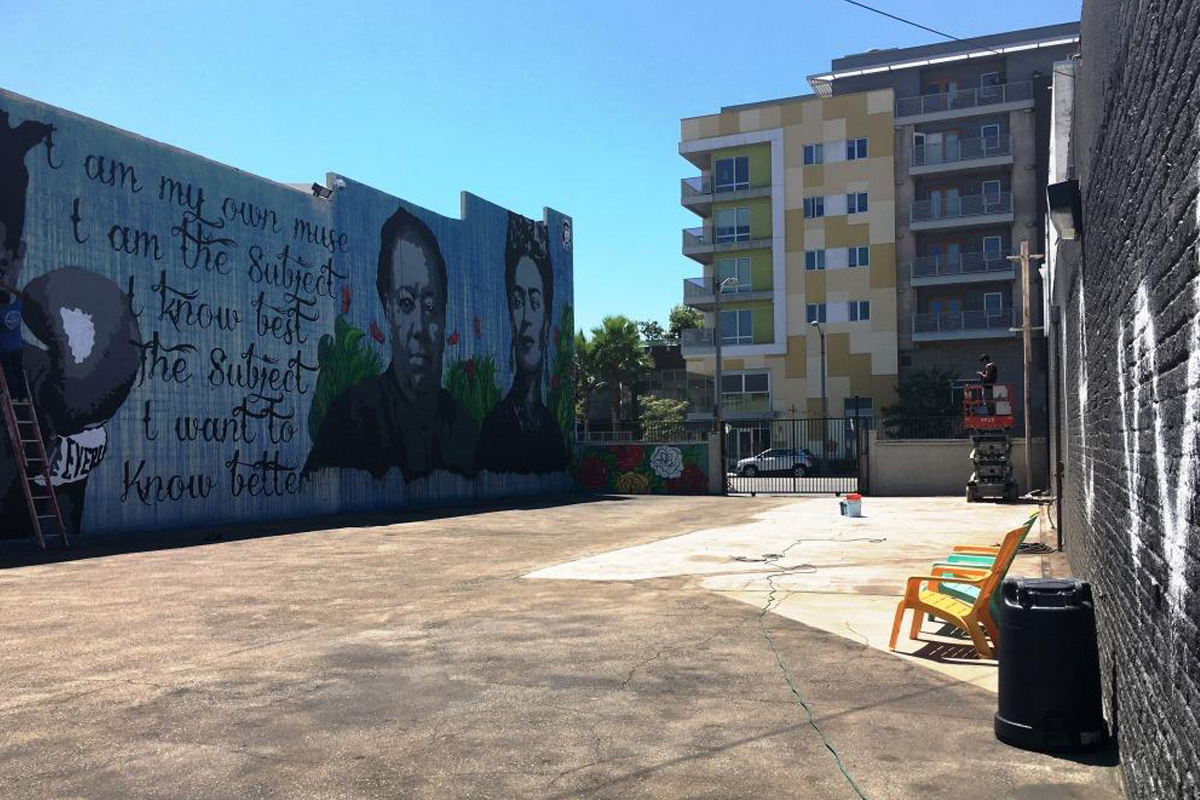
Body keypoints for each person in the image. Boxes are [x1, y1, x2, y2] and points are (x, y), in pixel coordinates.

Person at [304, 206, 477, 481]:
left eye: (431, 306)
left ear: (445, 315)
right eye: (406, 304)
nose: (419, 328)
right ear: (388, 310)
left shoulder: (463, 429)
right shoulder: (353, 420)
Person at [476, 213, 566, 474]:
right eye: (517, 302)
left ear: (548, 320)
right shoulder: (493, 429)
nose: (526, 317)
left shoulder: (554, 433)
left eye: (534, 302)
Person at [0, 282, 26, 399]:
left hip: (4, 349)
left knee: (9, 373)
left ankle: (14, 396)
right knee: (19, 372)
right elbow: (21, 295)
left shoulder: (1, 313)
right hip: (18, 346)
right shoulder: (17, 307)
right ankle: (24, 395)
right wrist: (5, 285)